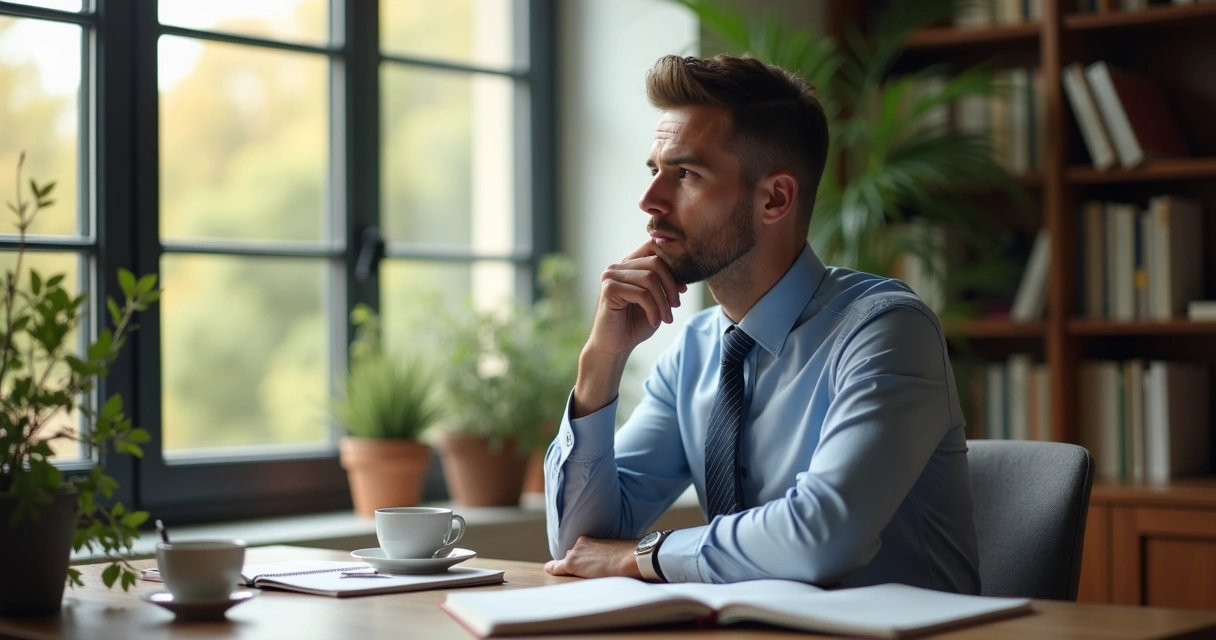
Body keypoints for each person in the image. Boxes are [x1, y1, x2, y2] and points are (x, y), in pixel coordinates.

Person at [542, 53, 979, 594]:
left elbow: (825, 536)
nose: (649, 200)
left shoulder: (887, 331)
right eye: (655, 170)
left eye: (685, 174)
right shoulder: (695, 352)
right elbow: (578, 546)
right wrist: (600, 362)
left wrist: (646, 555)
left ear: (774, 198)